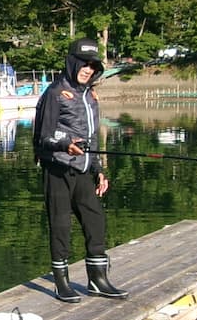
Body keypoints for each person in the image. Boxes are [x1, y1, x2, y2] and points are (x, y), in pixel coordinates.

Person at [32, 37, 128, 303]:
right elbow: (43, 136)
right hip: (58, 169)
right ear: (72, 63)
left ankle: (98, 279)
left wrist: (98, 169)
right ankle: (61, 282)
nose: (87, 69)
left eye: (92, 65)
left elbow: (93, 137)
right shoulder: (54, 93)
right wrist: (66, 144)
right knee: (60, 224)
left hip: (84, 170)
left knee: (95, 221)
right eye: (83, 64)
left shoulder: (90, 96)